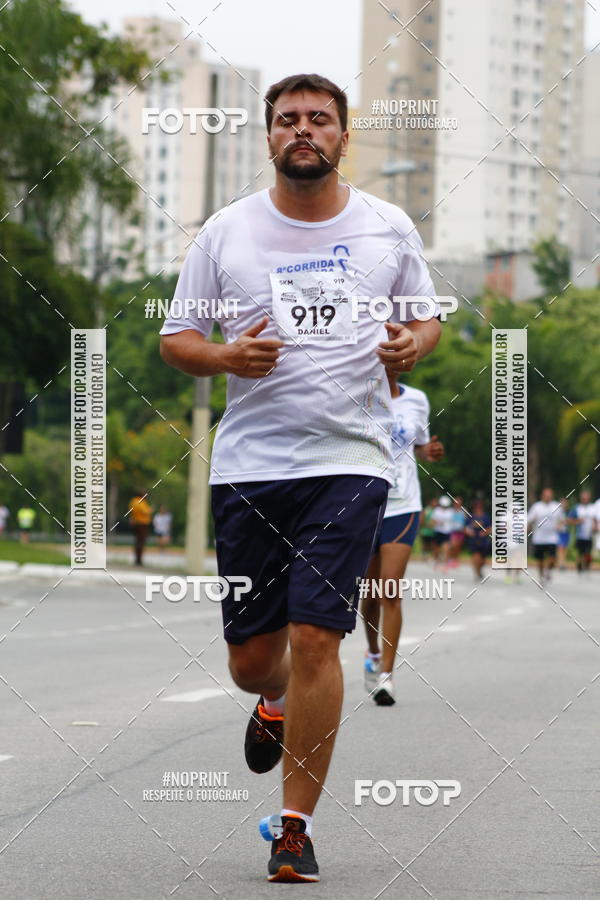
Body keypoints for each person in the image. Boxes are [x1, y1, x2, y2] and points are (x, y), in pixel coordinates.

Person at [159, 73, 441, 883]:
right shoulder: (227, 232)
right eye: (289, 120)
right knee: (253, 659)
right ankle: (272, 701)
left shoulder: (387, 227)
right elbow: (179, 337)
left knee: (321, 634)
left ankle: (294, 828)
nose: (304, 130)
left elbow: (424, 317)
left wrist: (410, 346)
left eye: (321, 119)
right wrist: (225, 355)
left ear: (344, 137)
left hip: (352, 459)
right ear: (269, 137)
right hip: (251, 465)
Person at [361, 371, 443, 705]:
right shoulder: (355, 393)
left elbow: (419, 445)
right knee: (369, 593)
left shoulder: (416, 400)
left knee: (389, 589)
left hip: (403, 504)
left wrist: (429, 452)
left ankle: (387, 676)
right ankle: (373, 652)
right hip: (364, 503)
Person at [527, 488, 563, 584]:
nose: (547, 498)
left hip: (552, 537)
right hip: (539, 538)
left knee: (553, 559)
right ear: (542, 496)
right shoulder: (536, 506)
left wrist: (560, 526)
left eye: (549, 496)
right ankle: (541, 576)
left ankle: (547, 571)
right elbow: (529, 520)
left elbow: (562, 520)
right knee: (540, 560)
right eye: (546, 496)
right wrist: (527, 529)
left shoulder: (556, 506)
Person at [568, 490, 595, 574]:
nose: (585, 500)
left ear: (589, 498)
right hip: (580, 535)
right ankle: (579, 566)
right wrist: (578, 521)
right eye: (583, 498)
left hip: (590, 535)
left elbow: (596, 519)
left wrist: (596, 525)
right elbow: (569, 520)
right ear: (581, 499)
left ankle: (586, 565)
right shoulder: (577, 508)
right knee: (580, 552)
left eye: (586, 498)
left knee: (588, 553)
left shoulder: (593, 507)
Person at [464, 498, 492, 581]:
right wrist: (469, 532)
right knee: (476, 556)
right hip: (474, 540)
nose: (478, 508)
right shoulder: (471, 517)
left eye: (480, 506)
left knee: (482, 560)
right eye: (477, 506)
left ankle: (479, 571)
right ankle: (476, 573)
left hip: (483, 540)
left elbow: (490, 528)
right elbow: (465, 528)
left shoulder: (486, 517)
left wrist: (485, 532)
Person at [128, 491, 153, 566]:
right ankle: (139, 560)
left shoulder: (132, 501)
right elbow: (145, 511)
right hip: (142, 524)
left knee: (137, 541)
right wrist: (150, 510)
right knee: (141, 542)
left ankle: (137, 559)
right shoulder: (140, 502)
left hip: (135, 523)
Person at [431, 495, 453, 569]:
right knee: (437, 548)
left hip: (446, 532)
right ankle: (436, 561)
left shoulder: (450, 511)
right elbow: (432, 521)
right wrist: (437, 523)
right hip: (438, 531)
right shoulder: (436, 510)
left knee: (446, 548)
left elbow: (451, 522)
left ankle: (446, 564)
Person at [448, 495, 466, 568]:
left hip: (460, 531)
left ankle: (455, 559)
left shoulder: (463, 512)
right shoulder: (451, 511)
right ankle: (451, 559)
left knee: (458, 547)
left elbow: (465, 521)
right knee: (453, 545)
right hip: (453, 531)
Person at [556, 498, 570, 570]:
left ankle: (563, 563)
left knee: (565, 548)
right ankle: (560, 563)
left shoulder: (568, 511)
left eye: (565, 502)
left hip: (566, 532)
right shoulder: (557, 511)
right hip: (559, 532)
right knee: (560, 548)